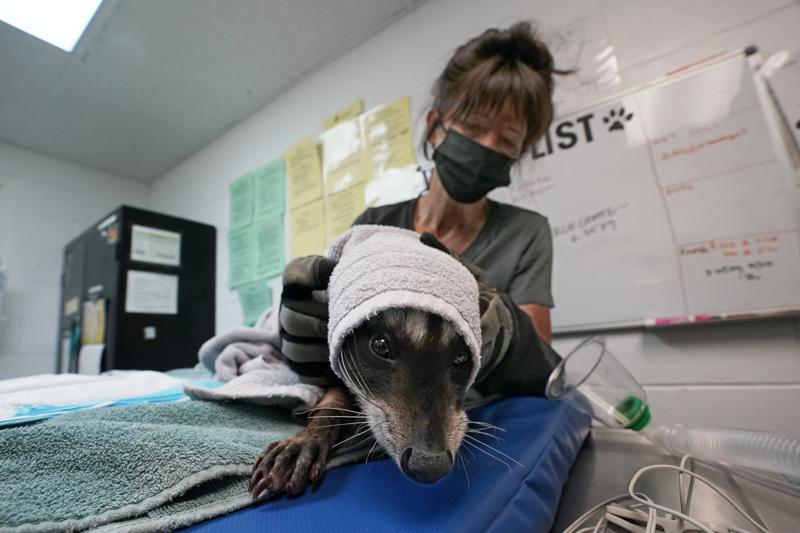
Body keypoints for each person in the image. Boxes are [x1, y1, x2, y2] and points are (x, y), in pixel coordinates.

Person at [279, 21, 565, 388]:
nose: (488, 146)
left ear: (518, 153)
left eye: (508, 139)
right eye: (473, 127)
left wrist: (507, 332)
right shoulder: (375, 223)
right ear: (434, 126)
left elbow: (543, 365)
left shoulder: (526, 233)